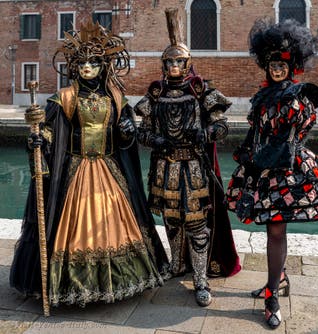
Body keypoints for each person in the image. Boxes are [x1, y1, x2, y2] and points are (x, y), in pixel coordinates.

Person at [10, 19, 170, 307]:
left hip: (109, 170)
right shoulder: (65, 98)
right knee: (73, 224)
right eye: (82, 63)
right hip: (76, 169)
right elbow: (50, 131)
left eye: (93, 63)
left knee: (115, 222)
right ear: (74, 67)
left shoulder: (116, 98)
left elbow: (124, 138)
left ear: (102, 66)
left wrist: (126, 132)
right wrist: (39, 139)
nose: (87, 68)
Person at [226, 17, 318, 329]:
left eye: (282, 65)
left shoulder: (299, 95)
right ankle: (279, 279)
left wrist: (282, 144)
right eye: (272, 65)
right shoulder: (262, 97)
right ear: (266, 66)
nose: (277, 69)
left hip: (288, 171)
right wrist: (248, 160)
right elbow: (256, 133)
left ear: (292, 67)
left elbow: (299, 130)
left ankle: (272, 296)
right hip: (262, 170)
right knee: (270, 227)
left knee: (276, 230)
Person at [135, 8, 241, 307]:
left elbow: (221, 124)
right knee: (171, 219)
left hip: (194, 167)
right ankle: (176, 264)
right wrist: (154, 139)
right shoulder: (155, 94)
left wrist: (205, 134)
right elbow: (143, 131)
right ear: (163, 64)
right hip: (164, 167)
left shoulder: (200, 90)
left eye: (179, 61)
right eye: (169, 61)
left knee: (196, 223)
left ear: (187, 63)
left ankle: (201, 277)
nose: (173, 66)